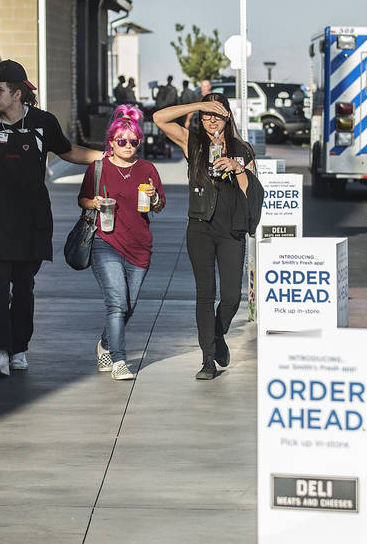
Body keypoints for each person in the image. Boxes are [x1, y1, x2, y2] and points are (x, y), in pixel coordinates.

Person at [0, 59, 102, 378]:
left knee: (23, 287)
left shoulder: (43, 123)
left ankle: (19, 349)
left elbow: (68, 151)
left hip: (32, 221)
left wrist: (105, 157)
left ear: (17, 94)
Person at [153, 92, 258, 381]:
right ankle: (208, 359)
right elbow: (159, 118)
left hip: (231, 230)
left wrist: (237, 168)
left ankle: (217, 334)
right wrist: (198, 105)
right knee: (205, 294)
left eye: (217, 113)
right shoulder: (193, 143)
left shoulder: (242, 149)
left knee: (231, 298)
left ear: (228, 116)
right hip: (200, 227)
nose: (212, 119)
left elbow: (254, 191)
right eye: (207, 115)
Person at [77, 105, 165, 380]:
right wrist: (95, 202)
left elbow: (159, 206)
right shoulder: (99, 167)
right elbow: (83, 199)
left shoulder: (147, 169)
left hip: (140, 246)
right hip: (106, 241)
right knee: (116, 303)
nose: (128, 146)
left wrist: (153, 199)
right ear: (111, 142)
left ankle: (105, 343)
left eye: (133, 141)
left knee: (128, 305)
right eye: (122, 141)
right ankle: (119, 361)